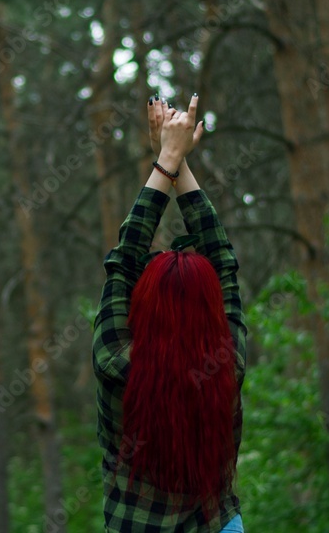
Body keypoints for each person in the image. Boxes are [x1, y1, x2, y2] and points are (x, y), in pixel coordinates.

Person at [92, 93, 247, 533]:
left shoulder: (116, 365)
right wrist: (175, 159)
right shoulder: (226, 366)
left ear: (143, 306)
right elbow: (223, 261)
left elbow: (123, 261)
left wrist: (168, 157)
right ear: (211, 308)